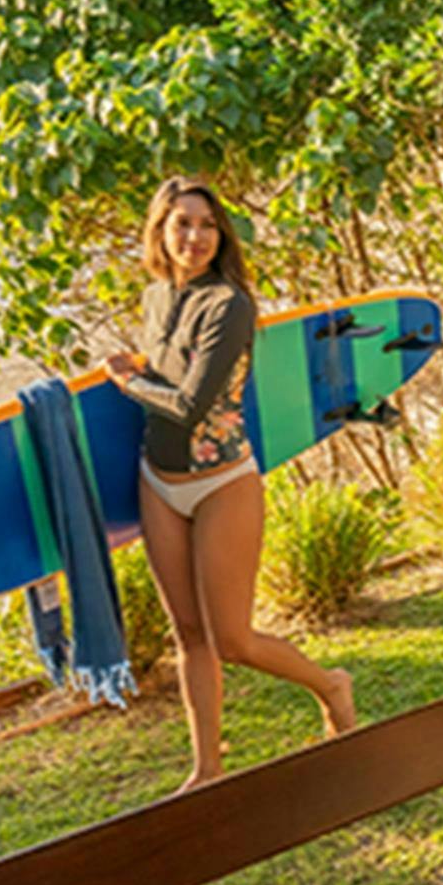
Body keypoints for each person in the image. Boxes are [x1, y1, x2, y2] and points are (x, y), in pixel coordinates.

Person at [106, 178, 356, 789]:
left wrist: (126, 380)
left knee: (234, 640)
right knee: (188, 635)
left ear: (222, 237)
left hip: (221, 484)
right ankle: (207, 770)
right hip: (158, 480)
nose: (195, 236)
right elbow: (169, 375)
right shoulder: (156, 297)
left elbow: (190, 404)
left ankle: (330, 685)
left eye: (208, 225)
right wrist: (144, 371)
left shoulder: (230, 304)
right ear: (161, 229)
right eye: (183, 223)